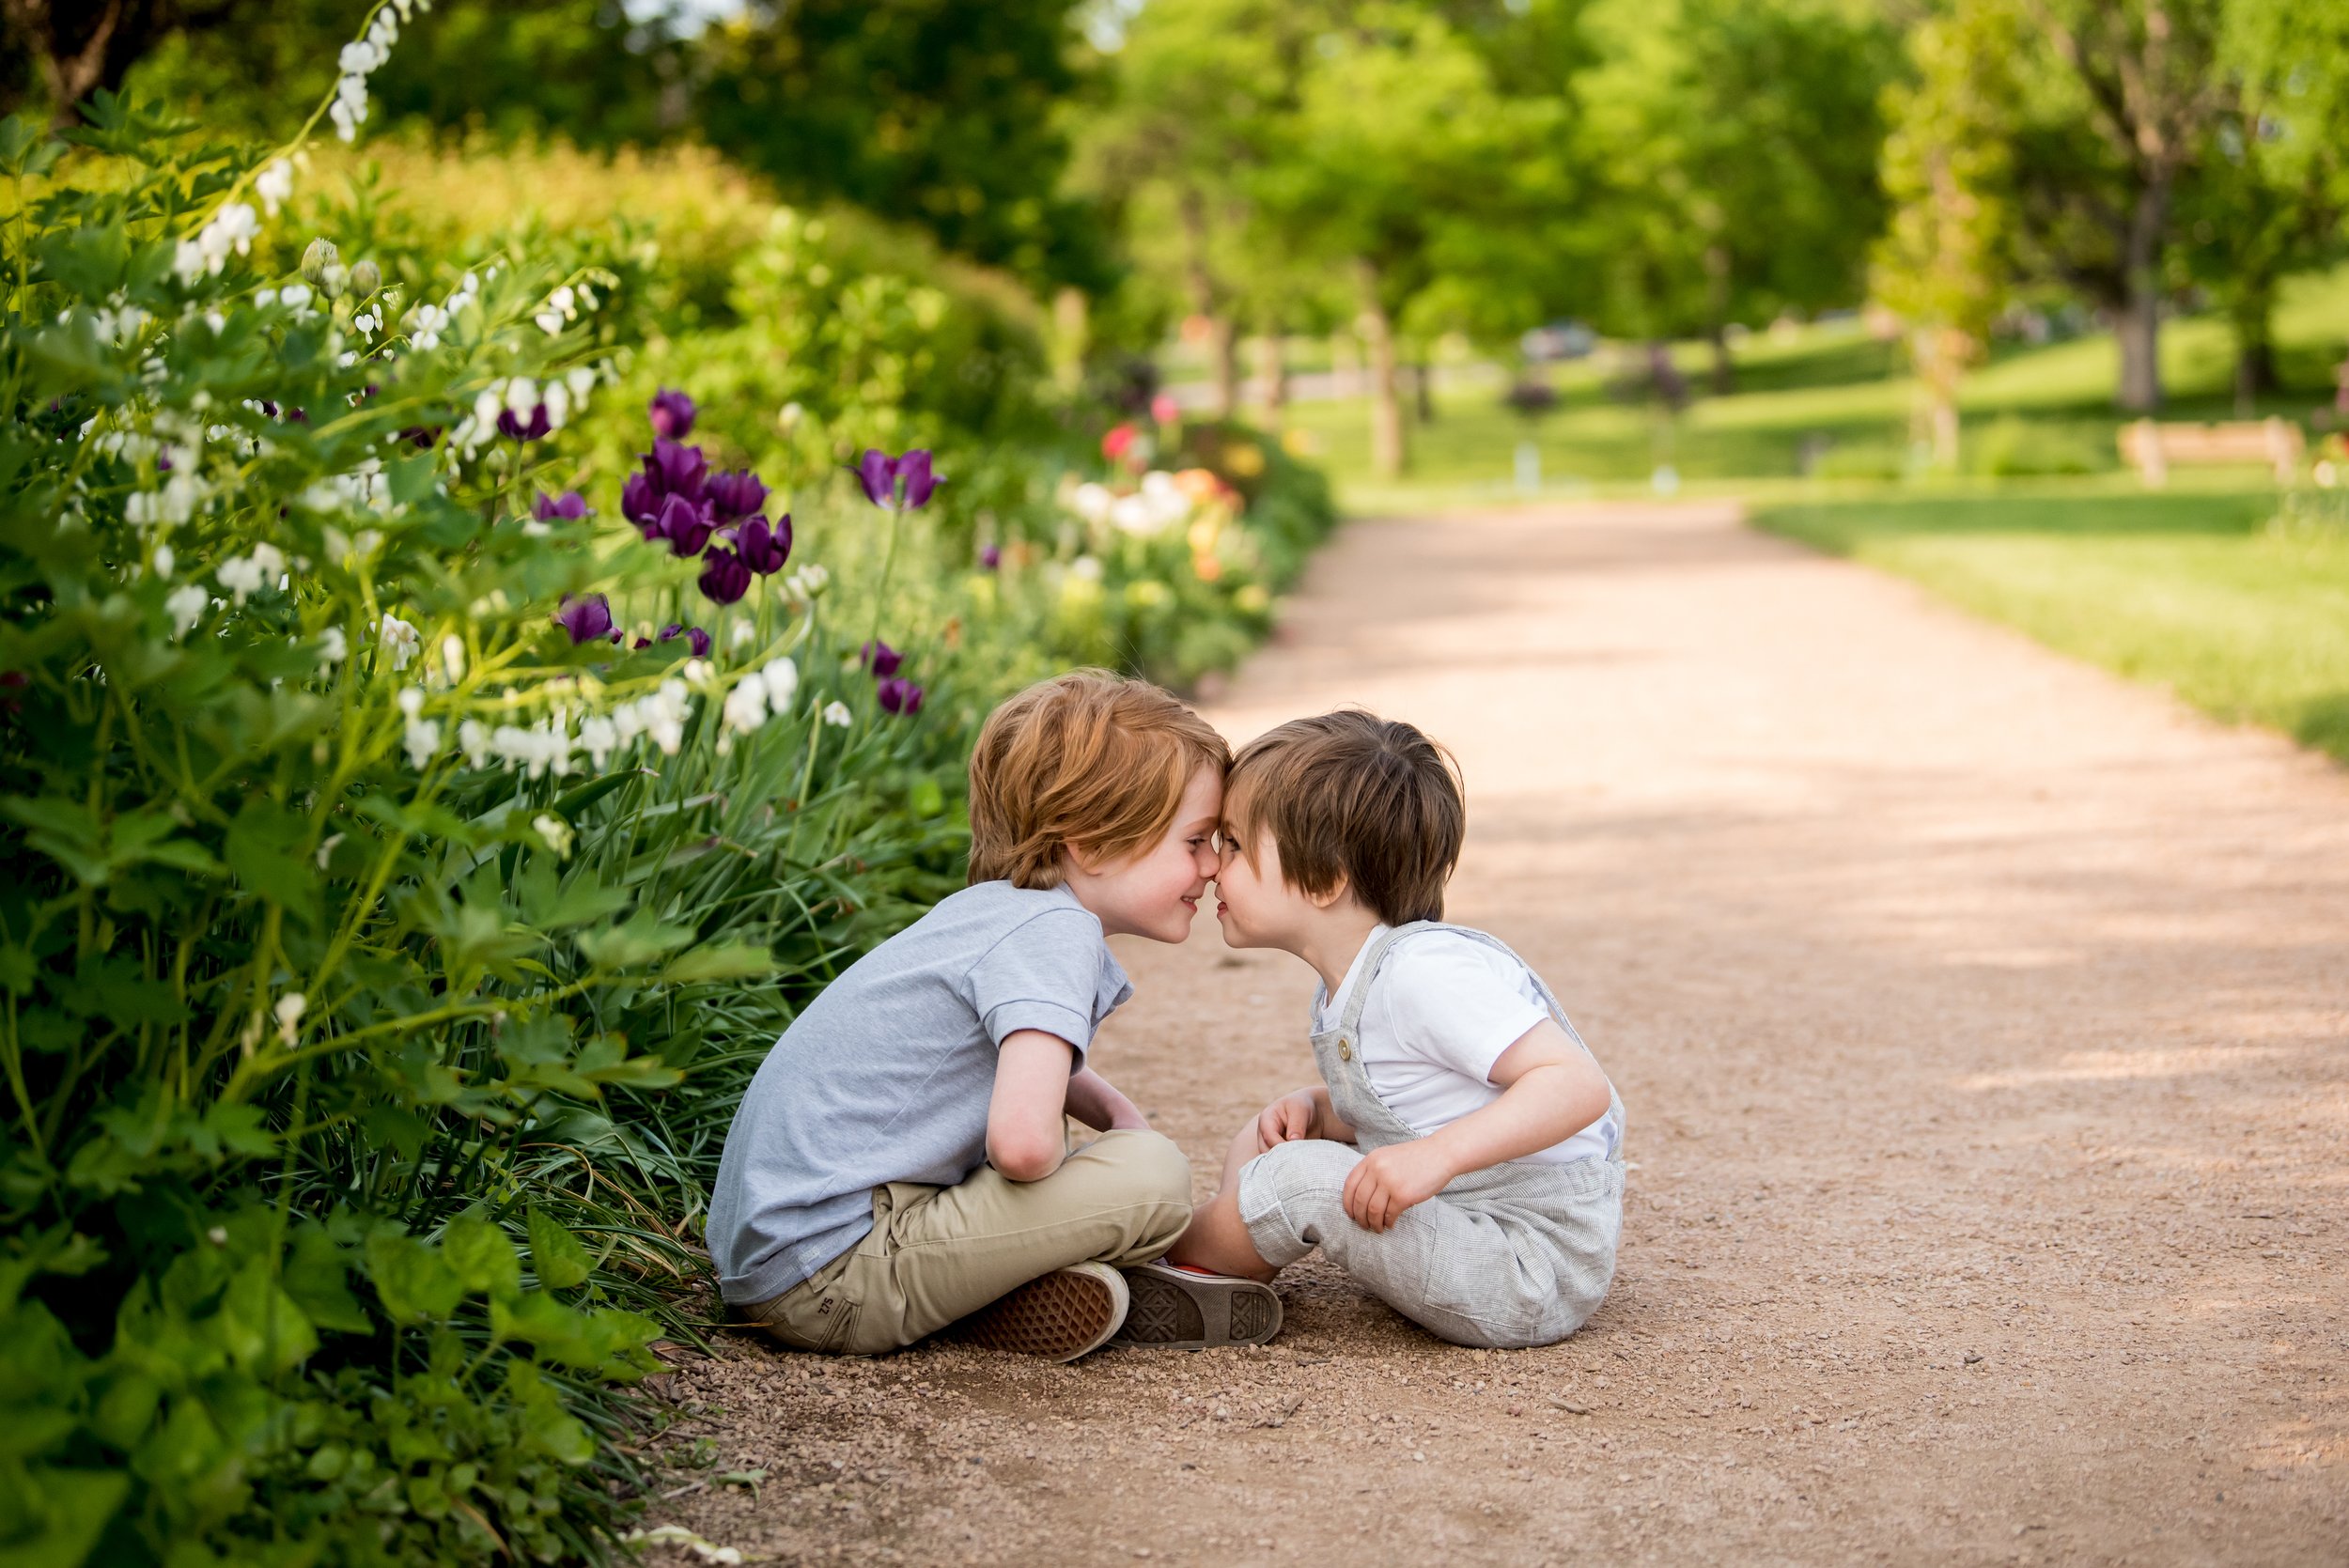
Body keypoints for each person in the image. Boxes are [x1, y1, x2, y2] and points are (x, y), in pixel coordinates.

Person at [708, 670, 1266, 1361]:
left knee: (1124, 1160)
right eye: (1196, 840)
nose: (1213, 865)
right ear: (1088, 843)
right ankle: (1010, 1275)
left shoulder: (994, 913)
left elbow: (1020, 1055)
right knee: (1156, 1177)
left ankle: (1008, 1284)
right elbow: (1024, 1147)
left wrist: (1118, 1117)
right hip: (830, 1278)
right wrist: (1101, 1184)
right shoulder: (1054, 932)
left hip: (773, 1259)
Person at [1168, 710, 1626, 1349]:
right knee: (1274, 1138)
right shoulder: (1354, 984)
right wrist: (1321, 1109)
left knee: (1295, 1177)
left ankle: (1153, 1254)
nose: (1216, 865)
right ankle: (1207, 1279)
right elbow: (1424, 1102)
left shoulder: (1422, 974)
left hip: (1524, 1262)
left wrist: (1435, 1158)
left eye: (1236, 845)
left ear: (1326, 878)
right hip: (1466, 1219)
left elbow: (1576, 1085)